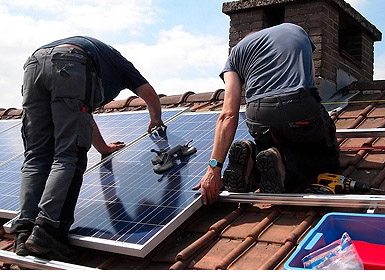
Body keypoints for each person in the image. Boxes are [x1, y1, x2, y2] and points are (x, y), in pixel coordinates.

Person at [10, 36, 165, 261]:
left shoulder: (101, 59)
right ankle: (47, 232)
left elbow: (82, 116)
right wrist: (156, 120)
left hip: (34, 65)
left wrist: (102, 147)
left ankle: (24, 234)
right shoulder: (122, 65)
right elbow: (150, 95)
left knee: (36, 155)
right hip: (70, 62)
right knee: (68, 155)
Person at [197, 23, 340, 205]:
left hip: (259, 115)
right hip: (299, 106)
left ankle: (252, 156)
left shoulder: (235, 53)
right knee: (326, 158)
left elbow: (228, 114)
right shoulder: (295, 29)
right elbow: (310, 79)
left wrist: (214, 169)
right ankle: (285, 167)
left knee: (270, 146)